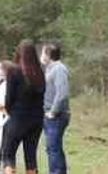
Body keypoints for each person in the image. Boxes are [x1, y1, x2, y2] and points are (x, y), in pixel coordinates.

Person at [1, 41, 46, 174]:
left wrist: (9, 111)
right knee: (31, 157)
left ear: (19, 52)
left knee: (8, 155)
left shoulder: (14, 71)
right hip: (36, 120)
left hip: (18, 117)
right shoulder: (40, 72)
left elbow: (9, 98)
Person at [40, 43, 71, 174]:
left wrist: (53, 111)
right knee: (52, 148)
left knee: (53, 148)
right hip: (49, 115)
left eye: (43, 53)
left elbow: (62, 93)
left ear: (48, 55)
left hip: (57, 116)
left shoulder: (59, 69)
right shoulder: (50, 69)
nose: (41, 56)